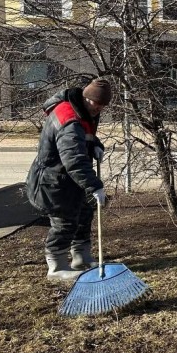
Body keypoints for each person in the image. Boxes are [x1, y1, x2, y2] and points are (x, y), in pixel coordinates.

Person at [26, 78, 111, 281]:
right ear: (86, 97)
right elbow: (73, 158)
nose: (98, 109)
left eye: (102, 106)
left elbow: (83, 137)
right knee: (65, 222)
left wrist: (94, 145)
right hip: (54, 182)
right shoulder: (68, 117)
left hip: (68, 180)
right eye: (96, 104)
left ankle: (80, 258)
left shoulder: (83, 111)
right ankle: (56, 266)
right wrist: (95, 186)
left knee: (83, 213)